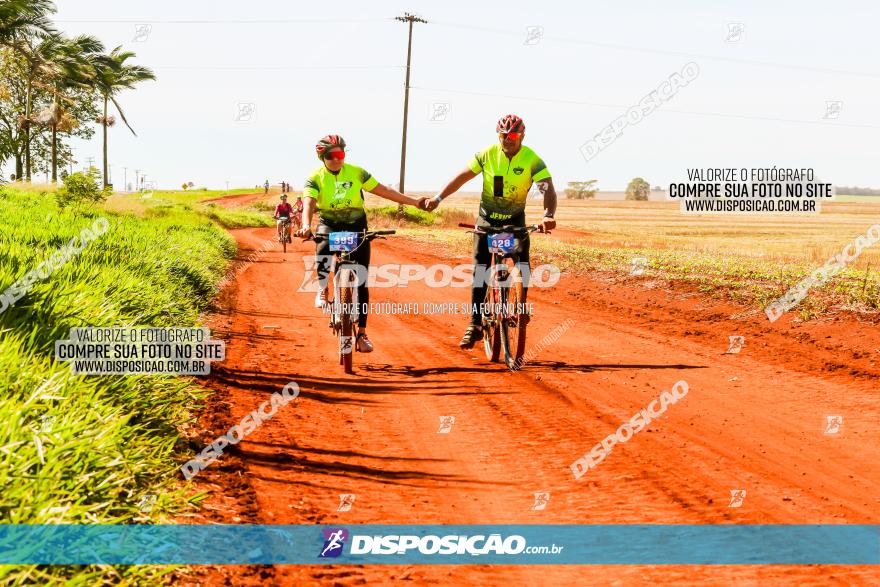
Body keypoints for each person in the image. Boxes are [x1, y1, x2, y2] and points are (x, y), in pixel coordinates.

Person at [425, 114, 557, 349]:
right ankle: (475, 324)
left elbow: (548, 189)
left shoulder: (532, 159)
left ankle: (520, 304)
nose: (507, 139)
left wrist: (548, 215)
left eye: (513, 135)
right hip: (486, 221)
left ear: (522, 136)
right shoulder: (487, 154)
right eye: (503, 135)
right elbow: (462, 177)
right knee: (481, 269)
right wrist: (438, 198)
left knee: (522, 261)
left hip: (514, 222)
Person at [296, 134, 427, 353]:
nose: (337, 159)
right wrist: (305, 224)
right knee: (321, 243)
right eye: (331, 156)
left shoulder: (357, 172)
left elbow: (384, 190)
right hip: (330, 223)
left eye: (340, 154)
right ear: (322, 157)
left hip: (357, 225)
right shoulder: (314, 178)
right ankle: (322, 289)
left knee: (362, 280)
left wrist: (415, 203)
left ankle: (363, 334)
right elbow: (309, 202)